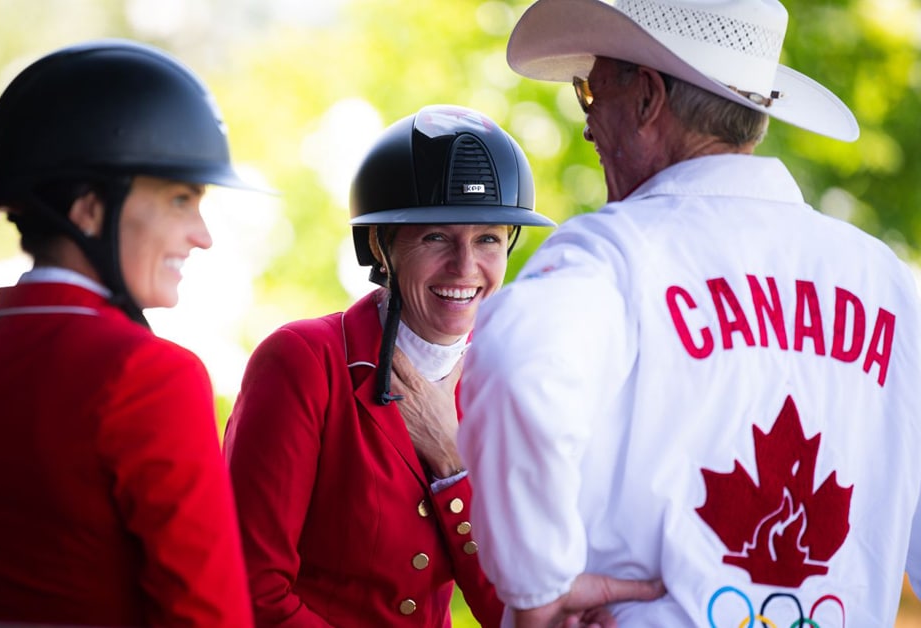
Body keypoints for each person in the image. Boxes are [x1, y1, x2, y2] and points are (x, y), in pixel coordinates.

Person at [457, 0, 920, 626]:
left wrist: (537, 588)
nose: (589, 124)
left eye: (591, 89)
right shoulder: (883, 280)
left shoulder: (616, 255)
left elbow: (516, 365)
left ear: (647, 98)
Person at [0, 40, 259, 626]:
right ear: (89, 209)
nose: (201, 234)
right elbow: (209, 613)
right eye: (182, 199)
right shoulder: (152, 376)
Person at [225, 104, 561, 627]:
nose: (466, 267)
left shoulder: (507, 385)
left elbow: (516, 610)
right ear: (382, 246)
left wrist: (453, 463)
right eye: (435, 237)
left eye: (488, 238)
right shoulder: (302, 361)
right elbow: (250, 587)